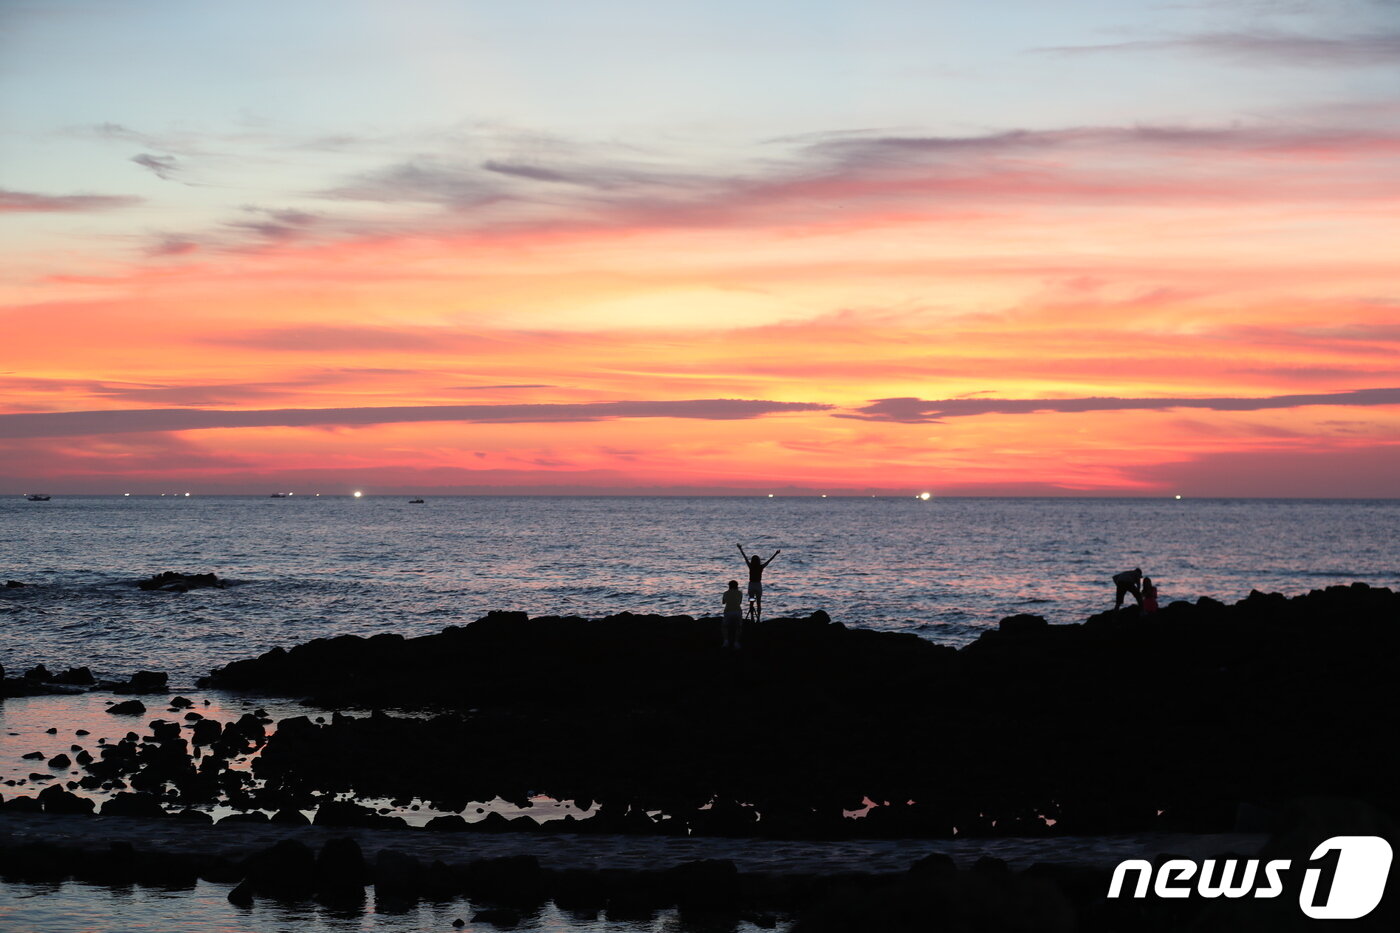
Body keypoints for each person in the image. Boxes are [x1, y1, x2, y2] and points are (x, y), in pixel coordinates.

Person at [736, 543, 780, 621]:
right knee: (759, 603)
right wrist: (775, 554)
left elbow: (745, 557)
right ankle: (758, 618)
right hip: (758, 586)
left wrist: (740, 549)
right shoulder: (761, 567)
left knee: (751, 602)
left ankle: (752, 617)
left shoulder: (750, 566)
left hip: (751, 586)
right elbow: (769, 560)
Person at [721, 579, 743, 649]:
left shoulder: (725, 593)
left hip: (728, 611)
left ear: (729, 586)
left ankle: (726, 641)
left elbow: (723, 602)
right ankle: (736, 642)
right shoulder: (740, 593)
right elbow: (740, 602)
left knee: (725, 627)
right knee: (738, 627)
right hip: (738, 611)